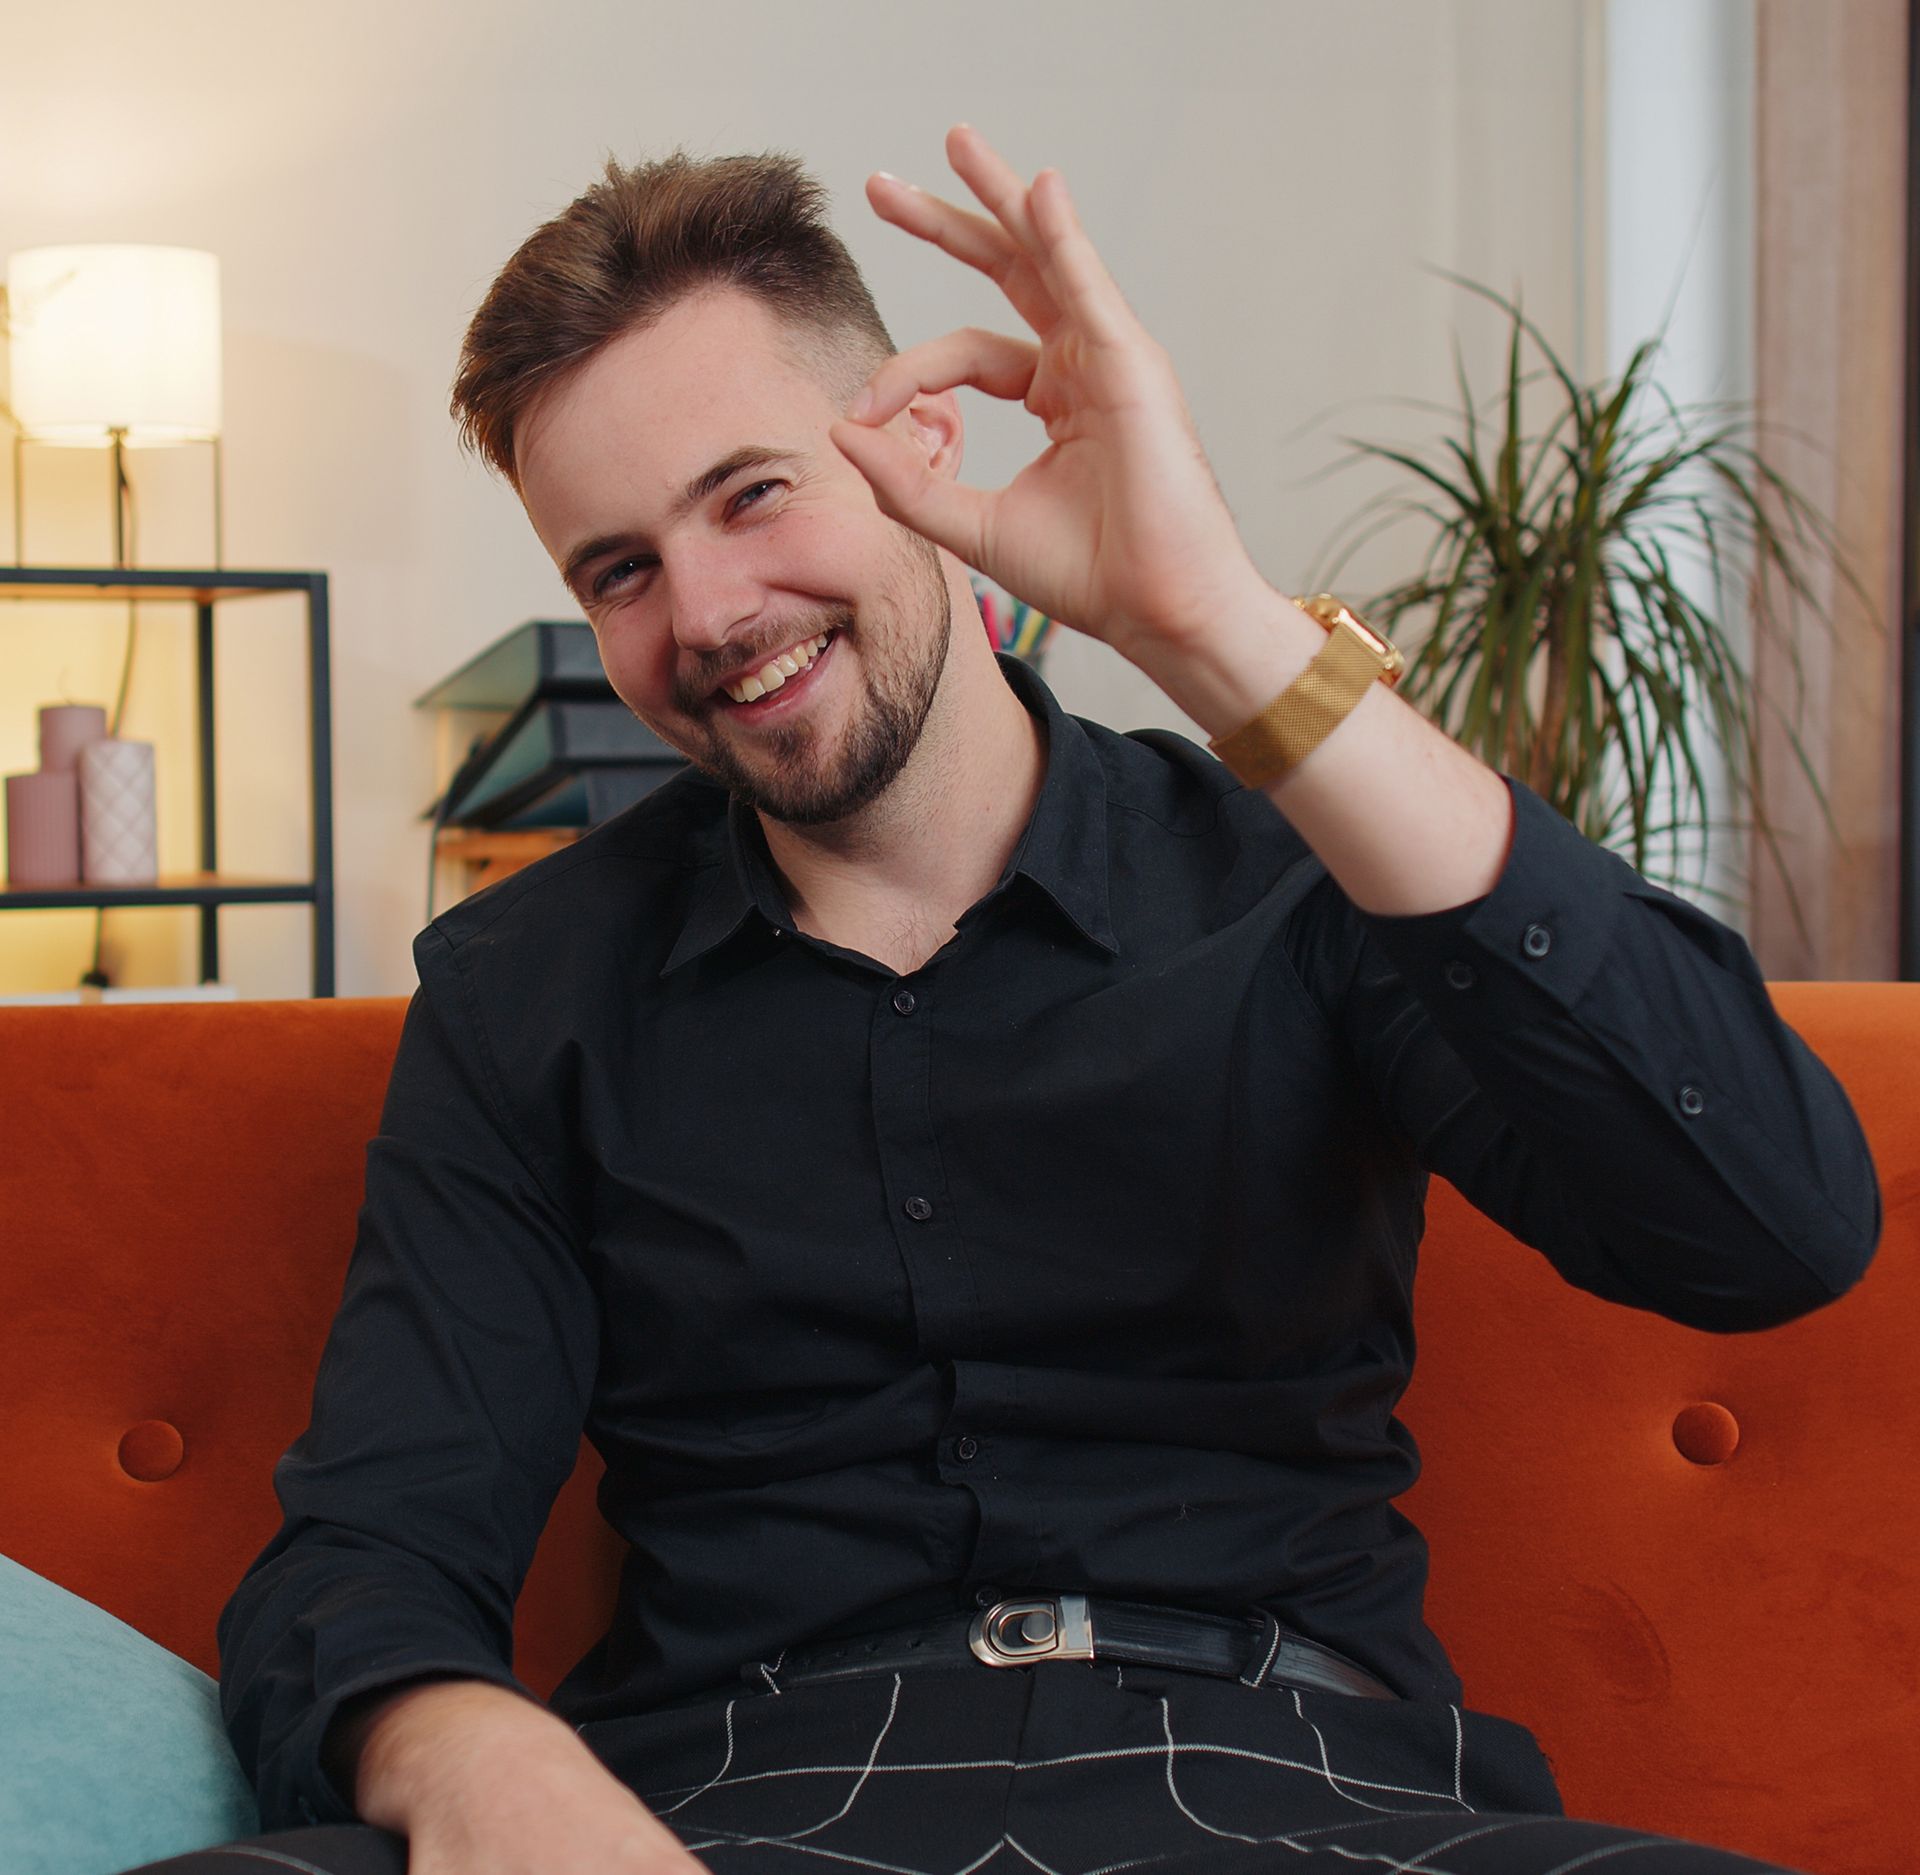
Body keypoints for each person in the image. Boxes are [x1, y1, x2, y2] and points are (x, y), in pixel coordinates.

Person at [126, 126, 1878, 1875]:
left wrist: (1217, 631)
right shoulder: (529, 993)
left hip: (1298, 1784)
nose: (713, 611)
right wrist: (476, 1759)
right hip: (739, 1806)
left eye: (752, 494)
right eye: (620, 570)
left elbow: (1772, 1228)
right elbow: (366, 1552)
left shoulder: (1301, 879)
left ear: (914, 449)